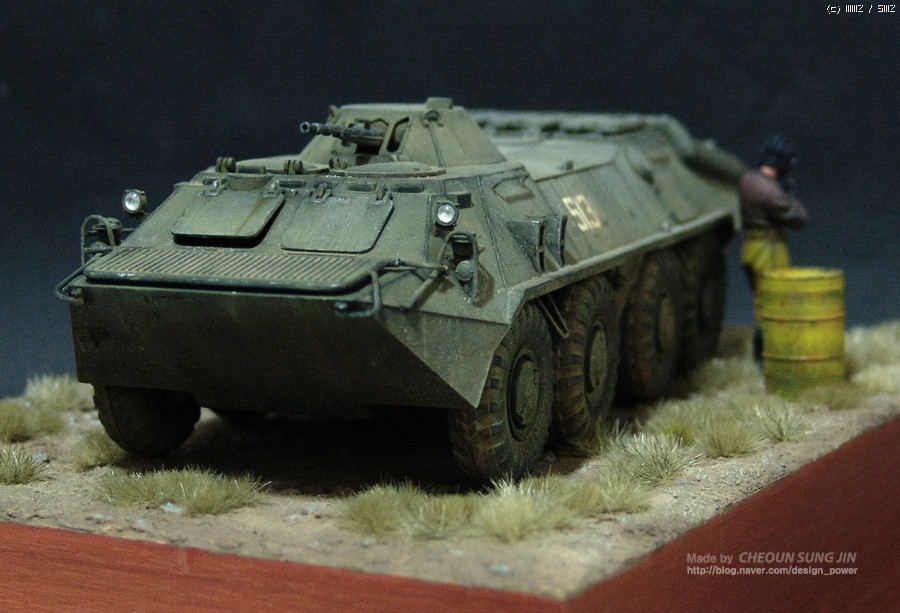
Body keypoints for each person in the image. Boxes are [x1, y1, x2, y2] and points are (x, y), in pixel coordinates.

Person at [739, 135, 808, 360]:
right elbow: (799, 218)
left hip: (750, 247)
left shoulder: (746, 179)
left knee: (761, 302)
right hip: (768, 250)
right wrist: (788, 196)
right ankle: (767, 354)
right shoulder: (769, 190)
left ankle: (762, 353)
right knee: (774, 303)